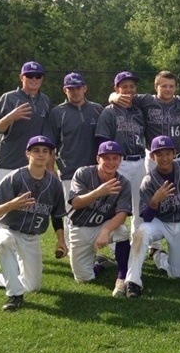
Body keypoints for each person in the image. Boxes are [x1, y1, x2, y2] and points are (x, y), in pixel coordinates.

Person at [0, 136, 67, 311]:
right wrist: (11, 205)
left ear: (50, 156)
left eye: (45, 151)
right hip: (5, 229)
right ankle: (14, 296)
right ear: (28, 153)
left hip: (31, 237)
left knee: (32, 286)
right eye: (36, 150)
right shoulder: (15, 178)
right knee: (5, 243)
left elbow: (57, 216)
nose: (41, 155)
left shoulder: (54, 184)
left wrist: (61, 240)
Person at [125, 136, 180, 298]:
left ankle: (159, 256)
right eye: (159, 154)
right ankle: (133, 281)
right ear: (152, 157)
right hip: (158, 222)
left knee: (178, 274)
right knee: (141, 232)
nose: (164, 158)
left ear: (174, 153)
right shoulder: (148, 181)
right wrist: (154, 201)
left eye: (167, 153)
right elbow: (147, 218)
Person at [44, 72, 104, 247]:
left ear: (85, 88)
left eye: (78, 88)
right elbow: (50, 145)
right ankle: (73, 251)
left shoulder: (97, 109)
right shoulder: (57, 113)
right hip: (69, 171)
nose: (75, 92)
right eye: (71, 89)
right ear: (65, 90)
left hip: (96, 171)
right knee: (72, 213)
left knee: (99, 210)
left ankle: (100, 249)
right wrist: (50, 170)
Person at [67, 141, 132, 297]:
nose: (111, 162)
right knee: (84, 278)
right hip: (79, 227)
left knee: (122, 231)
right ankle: (100, 264)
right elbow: (76, 203)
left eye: (115, 158)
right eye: (106, 158)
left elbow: (122, 214)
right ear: (98, 159)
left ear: (120, 160)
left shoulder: (123, 183)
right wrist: (97, 192)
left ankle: (122, 277)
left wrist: (106, 230)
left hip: (102, 225)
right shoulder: (83, 173)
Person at [95, 71, 146, 238]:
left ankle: (138, 241)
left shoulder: (140, 111)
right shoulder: (109, 112)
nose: (129, 90)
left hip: (139, 160)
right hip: (119, 162)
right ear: (116, 89)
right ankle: (114, 241)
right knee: (114, 203)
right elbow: (101, 140)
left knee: (139, 203)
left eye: (131, 86)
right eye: (124, 87)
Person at [0, 61, 52, 185]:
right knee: (4, 203)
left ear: (42, 78)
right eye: (30, 75)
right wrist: (10, 117)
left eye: (38, 76)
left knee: (32, 203)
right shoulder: (9, 98)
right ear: (21, 77)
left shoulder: (45, 100)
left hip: (35, 165)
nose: (34, 79)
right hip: (9, 162)